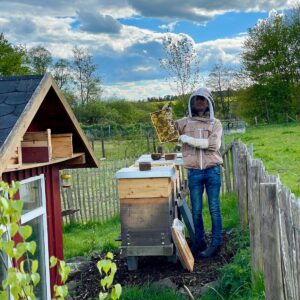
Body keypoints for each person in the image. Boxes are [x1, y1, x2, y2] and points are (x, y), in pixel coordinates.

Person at [175, 87, 223, 259]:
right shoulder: (184, 123)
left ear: (209, 102)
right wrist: (163, 116)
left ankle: (216, 243)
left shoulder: (215, 123)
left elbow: (213, 145)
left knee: (214, 209)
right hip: (194, 172)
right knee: (196, 210)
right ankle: (199, 241)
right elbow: (166, 132)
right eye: (197, 99)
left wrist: (188, 139)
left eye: (203, 99)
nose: (200, 102)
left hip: (212, 171)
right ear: (192, 103)